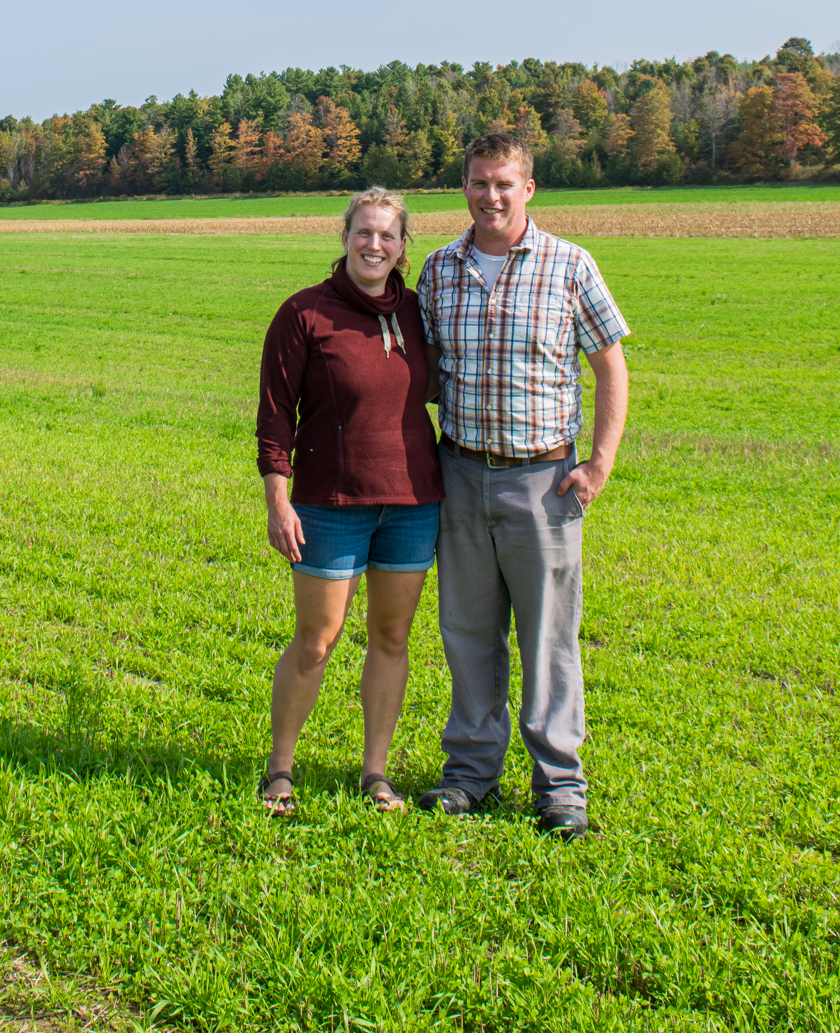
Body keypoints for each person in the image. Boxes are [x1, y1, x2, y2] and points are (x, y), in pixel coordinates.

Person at [414, 129, 629, 839]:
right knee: (467, 634)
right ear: (464, 188)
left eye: (504, 183)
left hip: (543, 480)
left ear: (528, 188)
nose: (491, 196)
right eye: (479, 182)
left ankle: (559, 785)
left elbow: (609, 367)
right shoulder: (439, 270)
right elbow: (413, 372)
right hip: (460, 473)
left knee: (547, 638)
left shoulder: (569, 265)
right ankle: (469, 773)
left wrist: (597, 463)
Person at [255, 186, 443, 816]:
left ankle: (376, 773)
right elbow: (276, 420)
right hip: (329, 504)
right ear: (344, 237)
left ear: (402, 247)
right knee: (317, 637)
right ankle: (280, 768)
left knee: (392, 637)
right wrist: (278, 501)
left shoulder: (420, 312)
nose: (374, 245)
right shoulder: (303, 314)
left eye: (387, 236)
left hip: (413, 503)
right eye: (364, 232)